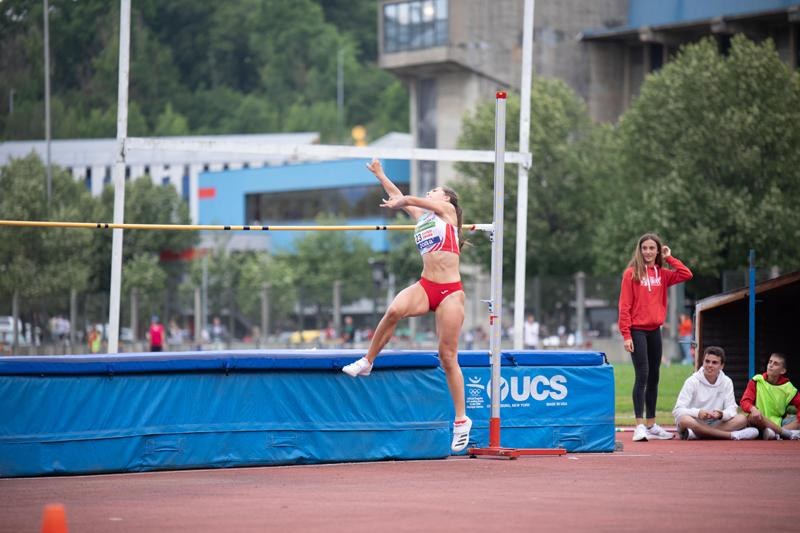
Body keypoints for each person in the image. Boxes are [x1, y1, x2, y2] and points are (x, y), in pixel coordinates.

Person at [342, 158, 471, 452]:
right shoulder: (423, 216)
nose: (429, 194)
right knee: (394, 311)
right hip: (426, 286)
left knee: (447, 355)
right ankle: (367, 362)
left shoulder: (447, 212)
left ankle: (462, 420)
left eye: (434, 191)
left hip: (450, 291)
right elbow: (399, 196)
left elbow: (406, 199)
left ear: (447, 198)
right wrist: (380, 174)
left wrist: (403, 201)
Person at [618, 233, 692, 442]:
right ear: (639, 251)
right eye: (645, 248)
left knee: (654, 377)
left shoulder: (663, 273)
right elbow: (624, 306)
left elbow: (686, 274)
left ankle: (651, 424)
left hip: (655, 330)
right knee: (642, 374)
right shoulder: (631, 274)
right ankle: (639, 426)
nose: (648, 252)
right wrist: (626, 334)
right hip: (637, 330)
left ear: (658, 250)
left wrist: (670, 258)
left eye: (652, 248)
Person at [672, 346, 758, 440]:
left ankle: (696, 435)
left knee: (742, 419)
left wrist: (721, 414)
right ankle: (731, 435)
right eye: (707, 361)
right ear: (703, 362)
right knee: (684, 419)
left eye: (714, 362)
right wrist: (698, 413)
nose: (710, 365)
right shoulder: (692, 381)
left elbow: (732, 408)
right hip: (695, 422)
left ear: (722, 366)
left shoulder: (727, 382)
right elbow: (677, 410)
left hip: (712, 424)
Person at [740, 352, 800, 440]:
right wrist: (753, 409)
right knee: (752, 417)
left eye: (775, 364)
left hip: (778, 422)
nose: (770, 365)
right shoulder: (757, 380)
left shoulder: (788, 388)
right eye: (770, 362)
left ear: (782, 371)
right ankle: (784, 433)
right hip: (759, 420)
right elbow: (744, 401)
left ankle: (774, 433)